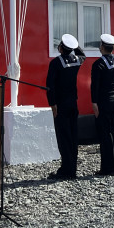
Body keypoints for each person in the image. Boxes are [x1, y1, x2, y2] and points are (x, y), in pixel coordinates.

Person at [45, 33, 86, 180]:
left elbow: (50, 85)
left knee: (63, 138)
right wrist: (75, 44)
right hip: (73, 103)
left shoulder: (56, 63)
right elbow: (82, 54)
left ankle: (66, 170)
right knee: (73, 136)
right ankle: (72, 168)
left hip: (61, 104)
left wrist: (52, 104)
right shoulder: (77, 60)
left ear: (61, 47)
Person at [91, 33, 114, 176]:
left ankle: (107, 168)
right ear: (112, 48)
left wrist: (94, 103)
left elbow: (95, 86)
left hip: (104, 102)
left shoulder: (98, 64)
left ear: (101, 47)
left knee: (105, 134)